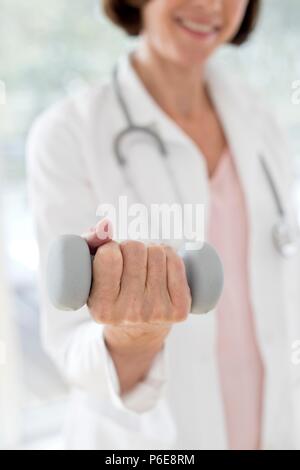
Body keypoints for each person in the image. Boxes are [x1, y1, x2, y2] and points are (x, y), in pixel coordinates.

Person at [27, 0, 300, 450]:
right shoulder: (68, 134)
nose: (212, 5)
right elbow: (70, 352)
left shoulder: (261, 120)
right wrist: (133, 338)